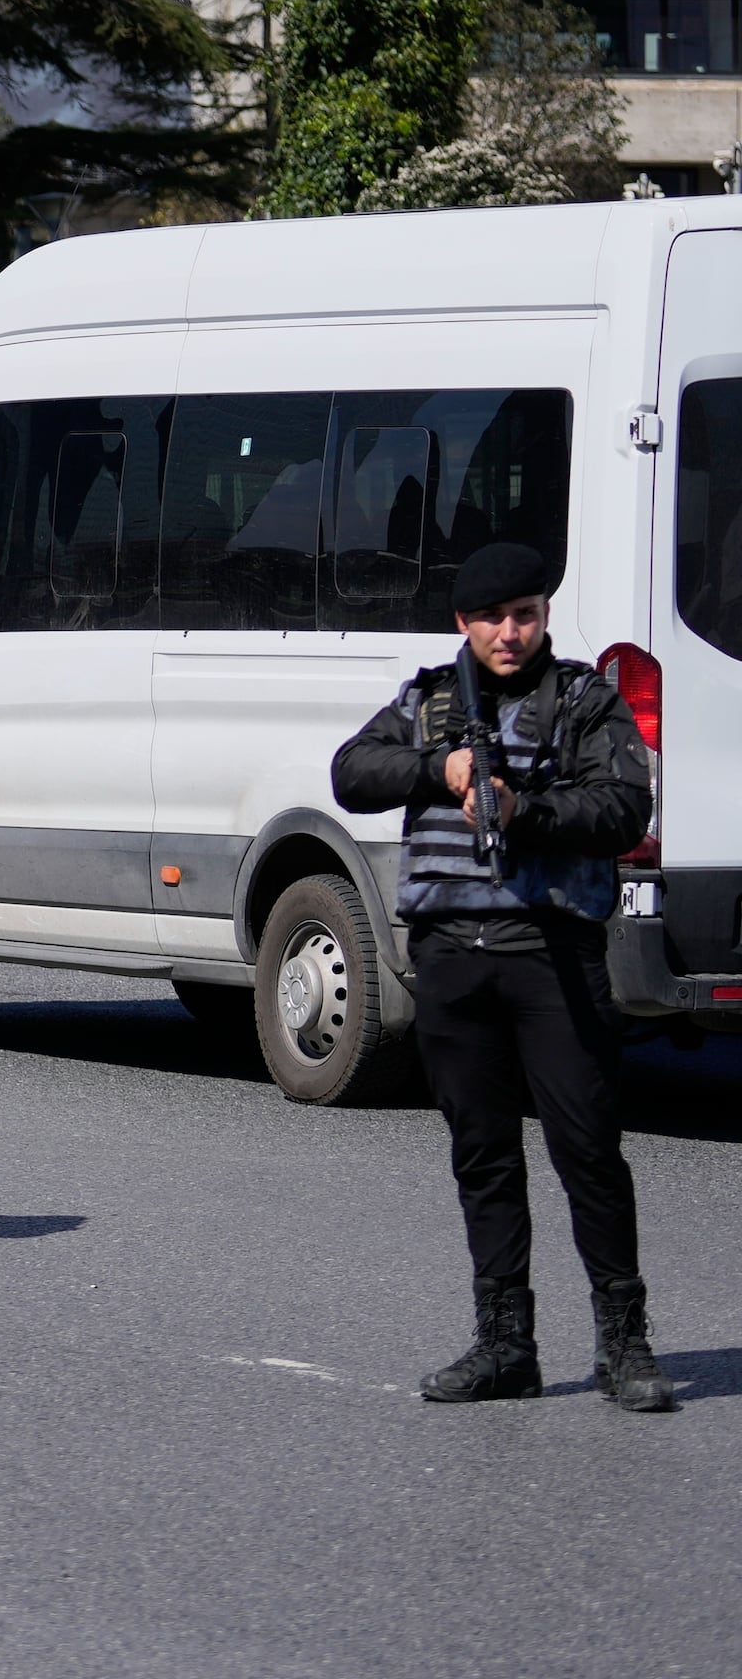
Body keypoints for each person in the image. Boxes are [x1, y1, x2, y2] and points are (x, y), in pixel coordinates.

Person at [329, 543, 671, 1411]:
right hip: (451, 957)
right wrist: (437, 769)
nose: (509, 633)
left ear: (544, 614)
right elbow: (350, 772)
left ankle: (624, 1347)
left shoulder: (584, 700)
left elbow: (626, 806)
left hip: (549, 953)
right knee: (482, 1155)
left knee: (587, 1152)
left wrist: (529, 808)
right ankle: (504, 1346)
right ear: (463, 624)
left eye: (523, 614)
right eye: (491, 618)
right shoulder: (429, 701)